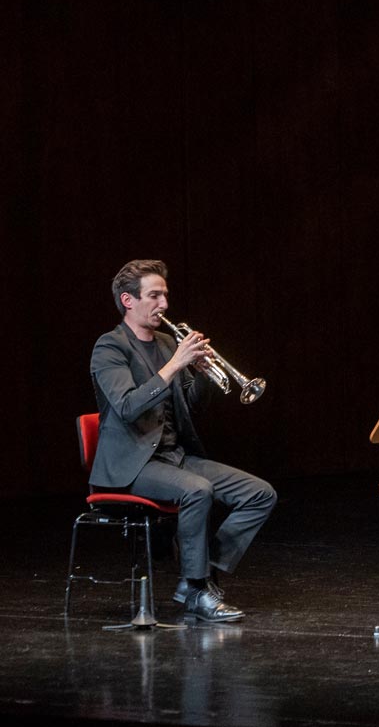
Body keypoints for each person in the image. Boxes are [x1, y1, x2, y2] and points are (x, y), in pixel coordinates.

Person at [89, 260, 278, 622]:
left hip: (174, 457)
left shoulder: (165, 343)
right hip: (131, 465)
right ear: (128, 300)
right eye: (154, 296)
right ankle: (195, 590)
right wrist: (176, 364)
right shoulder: (109, 348)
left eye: (165, 295)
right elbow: (128, 406)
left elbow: (189, 405)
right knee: (197, 490)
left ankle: (203, 572)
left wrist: (203, 374)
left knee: (260, 493)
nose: (163, 304)